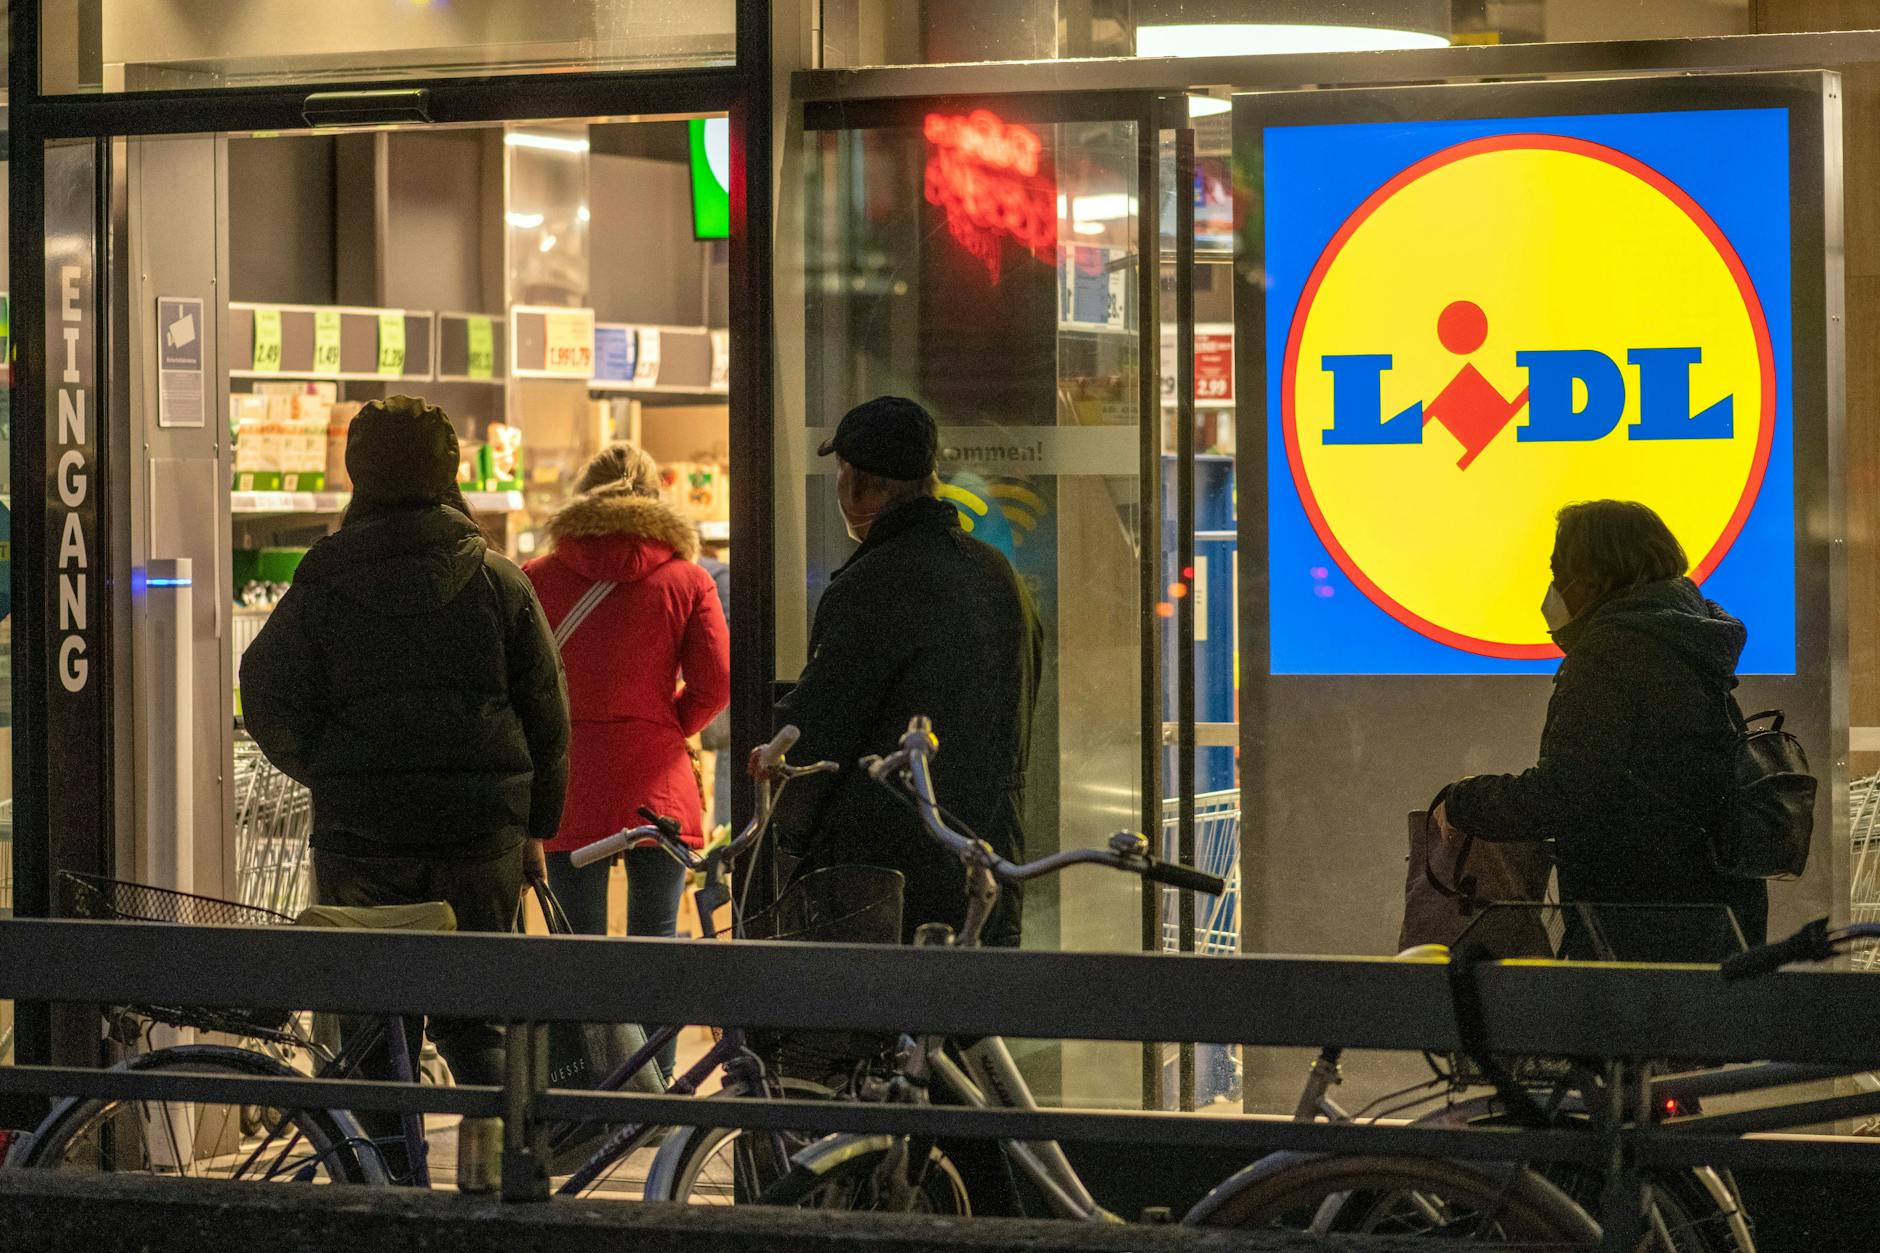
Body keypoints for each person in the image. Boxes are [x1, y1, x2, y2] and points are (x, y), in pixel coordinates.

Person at [240, 394, 570, 1118]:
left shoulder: (322, 583)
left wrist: (329, 766)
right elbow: (548, 716)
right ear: (449, 472)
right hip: (480, 840)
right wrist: (535, 827)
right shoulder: (498, 581)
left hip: (364, 841)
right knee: (479, 1024)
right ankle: (494, 1175)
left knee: (372, 1030)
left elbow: (264, 693)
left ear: (358, 472)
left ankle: (388, 1177)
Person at [1434, 500, 1767, 960]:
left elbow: (1568, 793)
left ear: (1593, 576)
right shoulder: (1692, 641)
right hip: (1718, 914)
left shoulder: (1612, 653)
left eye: (1559, 572)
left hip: (1637, 924)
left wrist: (1462, 801)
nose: (1554, 589)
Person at [773, 396, 1043, 947]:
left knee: (885, 1002)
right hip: (988, 860)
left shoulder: (870, 584)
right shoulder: (998, 574)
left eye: (841, 473)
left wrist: (789, 832)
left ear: (858, 485)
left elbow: (820, 731)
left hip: (887, 876)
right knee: (977, 998)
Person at [523, 444, 730, 1071]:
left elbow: (521, 687)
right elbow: (717, 682)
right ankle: (656, 1084)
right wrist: (665, 724)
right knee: (655, 943)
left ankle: (594, 1085)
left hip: (572, 782)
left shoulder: (537, 577)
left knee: (582, 949)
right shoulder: (688, 580)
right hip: (657, 784)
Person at [695, 531, 734, 833]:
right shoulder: (718, 574)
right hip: (722, 677)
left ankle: (722, 825)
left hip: (690, 680)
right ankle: (724, 828)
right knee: (727, 753)